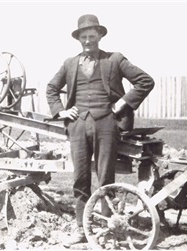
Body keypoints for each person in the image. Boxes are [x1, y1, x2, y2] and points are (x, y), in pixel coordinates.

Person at [46, 14, 154, 247]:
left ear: (100, 36)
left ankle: (107, 225)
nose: (88, 41)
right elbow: (52, 88)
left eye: (92, 37)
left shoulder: (114, 59)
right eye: (83, 37)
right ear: (79, 39)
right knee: (80, 178)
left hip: (107, 123)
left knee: (106, 177)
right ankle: (81, 228)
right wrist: (61, 112)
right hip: (78, 126)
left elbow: (145, 81)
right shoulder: (69, 63)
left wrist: (122, 103)